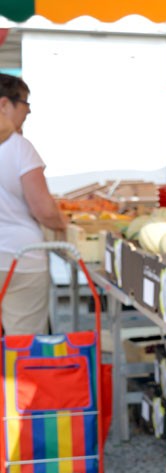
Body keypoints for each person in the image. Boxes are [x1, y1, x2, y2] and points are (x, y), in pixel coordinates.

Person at [0, 73, 67, 335]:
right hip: (20, 257)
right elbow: (44, 210)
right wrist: (63, 224)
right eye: (25, 105)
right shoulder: (19, 148)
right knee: (22, 346)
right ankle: (18, 378)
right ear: (4, 104)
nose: (28, 113)